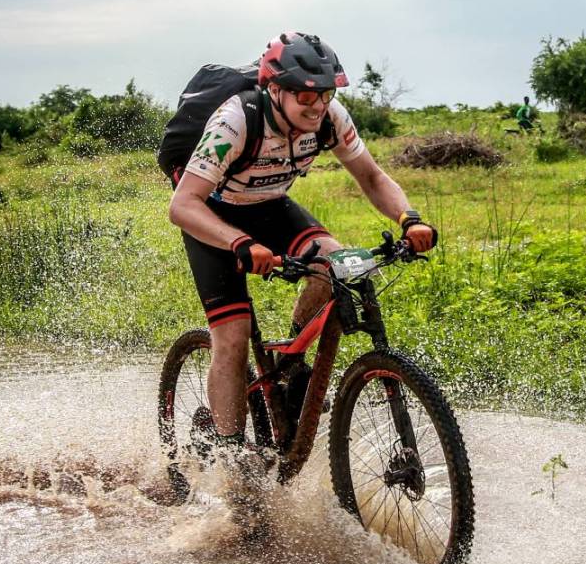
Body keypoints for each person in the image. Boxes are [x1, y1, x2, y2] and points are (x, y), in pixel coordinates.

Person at [167, 32, 438, 471]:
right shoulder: (236, 120)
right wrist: (239, 242)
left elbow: (371, 177)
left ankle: (291, 367)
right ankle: (235, 460)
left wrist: (409, 218)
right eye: (303, 95)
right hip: (213, 214)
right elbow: (182, 205)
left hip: (270, 206)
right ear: (274, 89)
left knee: (335, 263)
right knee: (232, 338)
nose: (316, 105)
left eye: (325, 94)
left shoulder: (331, 117)